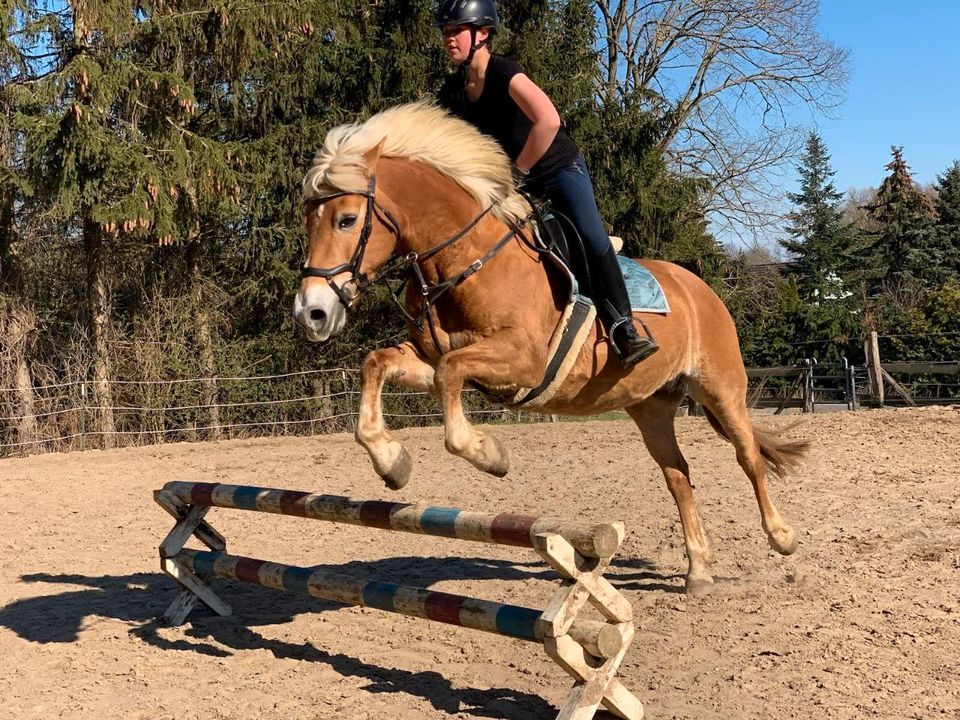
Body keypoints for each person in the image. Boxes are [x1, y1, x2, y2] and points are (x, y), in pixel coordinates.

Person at [434, 0, 658, 367]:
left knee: (591, 235)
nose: (449, 39)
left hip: (556, 169)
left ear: (483, 33)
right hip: (510, 183)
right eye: (446, 33)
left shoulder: (506, 73)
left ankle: (624, 328)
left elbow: (548, 121)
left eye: (455, 31)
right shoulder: (453, 92)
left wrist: (519, 172)